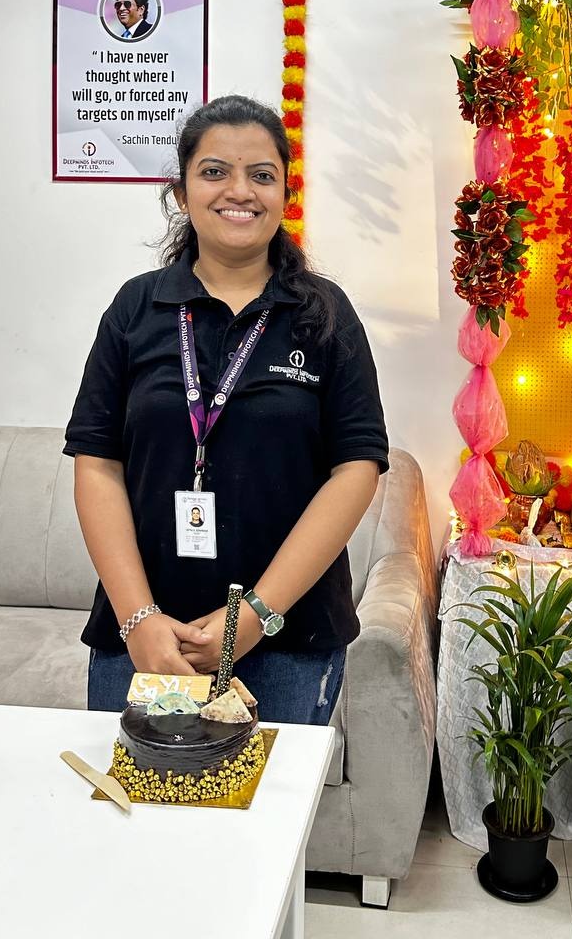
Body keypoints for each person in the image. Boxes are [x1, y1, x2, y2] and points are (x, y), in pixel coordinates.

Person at [64, 94, 388, 723]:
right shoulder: (136, 308)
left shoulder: (324, 314)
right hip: (143, 638)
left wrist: (256, 616)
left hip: (286, 639)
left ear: (286, 194)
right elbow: (96, 463)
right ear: (182, 192)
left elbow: (357, 469)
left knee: (270, 793)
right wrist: (138, 619)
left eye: (261, 174)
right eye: (214, 171)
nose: (239, 190)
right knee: (136, 790)